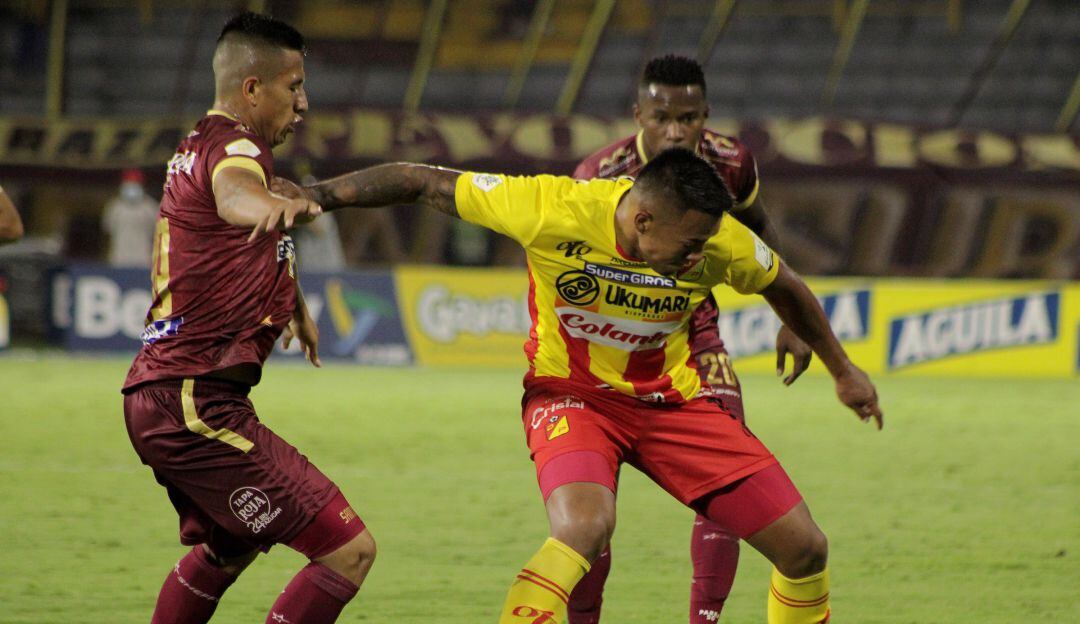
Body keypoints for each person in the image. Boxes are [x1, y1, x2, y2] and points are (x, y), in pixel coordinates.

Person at [270, 148, 883, 624]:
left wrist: (843, 370)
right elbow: (421, 180)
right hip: (572, 396)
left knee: (805, 548)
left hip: (672, 405)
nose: (698, 259)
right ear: (643, 217)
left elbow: (787, 285)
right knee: (584, 527)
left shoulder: (719, 240)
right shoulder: (551, 206)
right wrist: (318, 197)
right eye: (688, 246)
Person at [121, 13, 375, 624]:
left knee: (229, 545)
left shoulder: (197, 144)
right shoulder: (238, 151)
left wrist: (294, 304)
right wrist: (285, 205)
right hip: (193, 401)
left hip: (169, 393)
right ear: (252, 88)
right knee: (349, 551)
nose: (304, 102)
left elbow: (237, 226)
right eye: (294, 85)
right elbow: (237, 198)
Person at [570, 54, 812, 623]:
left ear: (706, 114)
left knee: (728, 469)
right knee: (589, 510)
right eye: (661, 117)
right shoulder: (599, 173)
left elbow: (760, 235)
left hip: (692, 330)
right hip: (609, 340)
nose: (676, 131)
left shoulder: (731, 163)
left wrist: (792, 318)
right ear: (638, 116)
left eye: (689, 117)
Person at [103, 168, 159, 267]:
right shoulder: (115, 207)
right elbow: (108, 230)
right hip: (119, 259)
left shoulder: (151, 207)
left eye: (135, 184)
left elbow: (157, 233)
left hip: (143, 260)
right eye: (129, 184)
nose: (131, 187)